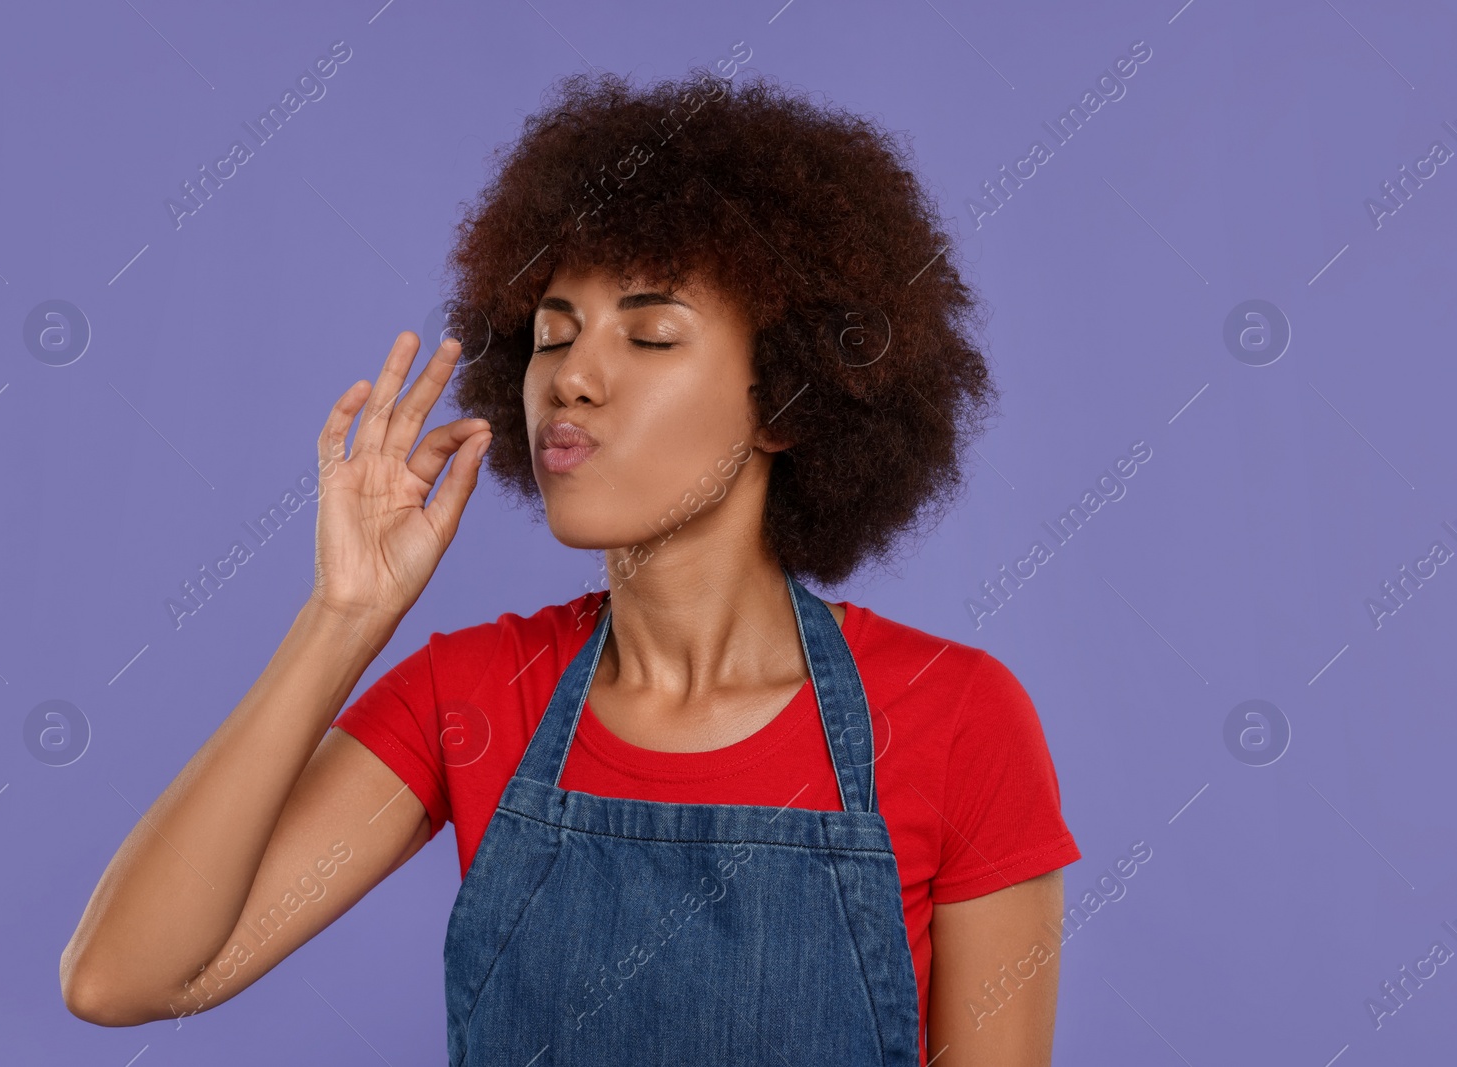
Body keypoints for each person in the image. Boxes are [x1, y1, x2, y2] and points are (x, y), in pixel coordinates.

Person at [60, 67, 1080, 1066]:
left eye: (648, 335)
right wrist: (344, 613)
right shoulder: (467, 696)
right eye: (553, 334)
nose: (573, 381)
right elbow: (124, 978)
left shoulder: (958, 717)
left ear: (786, 397)